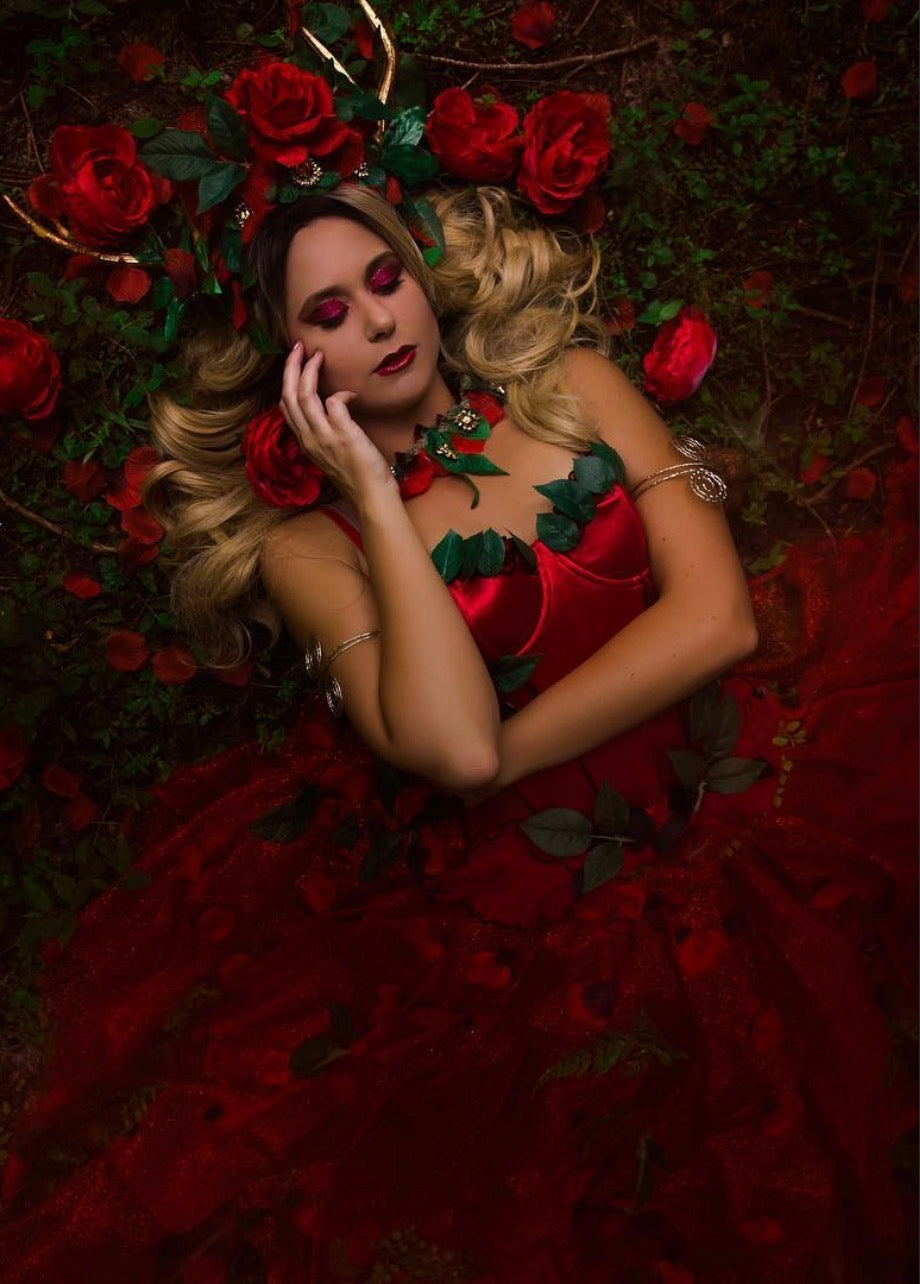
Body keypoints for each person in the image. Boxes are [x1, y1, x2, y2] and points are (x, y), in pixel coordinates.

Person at [0, 183, 914, 1284]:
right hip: (536, 909)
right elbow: (454, 754)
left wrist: (510, 753)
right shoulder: (312, 549)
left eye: (385, 282)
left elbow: (717, 619)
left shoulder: (572, 386)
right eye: (327, 315)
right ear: (285, 364)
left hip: (741, 791)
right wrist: (376, 499)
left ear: (424, 284)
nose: (379, 324)